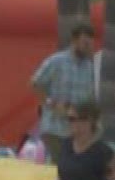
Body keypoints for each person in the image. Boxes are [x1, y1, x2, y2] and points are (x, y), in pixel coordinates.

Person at [28, 23, 100, 164]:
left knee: (74, 167)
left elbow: (89, 96)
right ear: (74, 41)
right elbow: (35, 83)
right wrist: (50, 103)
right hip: (56, 127)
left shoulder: (89, 66)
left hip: (79, 130)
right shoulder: (56, 61)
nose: (88, 47)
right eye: (84, 43)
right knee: (61, 166)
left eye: (90, 44)